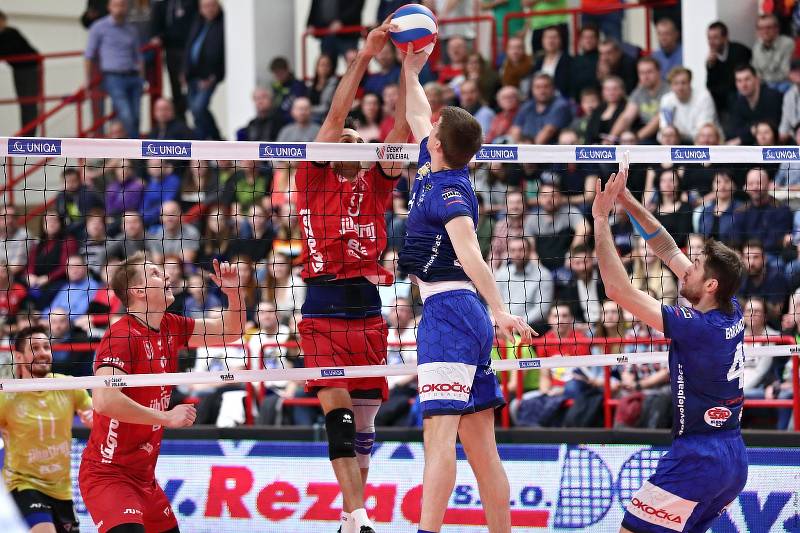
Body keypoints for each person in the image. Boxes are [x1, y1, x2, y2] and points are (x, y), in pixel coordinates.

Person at [398, 42, 534, 533]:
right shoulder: (431, 163)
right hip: (460, 312)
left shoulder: (450, 193)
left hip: (451, 312)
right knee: (482, 448)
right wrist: (409, 69)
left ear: (439, 143)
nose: (428, 125)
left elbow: (473, 254)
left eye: (434, 127)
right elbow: (417, 111)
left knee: (438, 438)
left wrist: (500, 311)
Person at [295, 22, 410, 533]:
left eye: (360, 141)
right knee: (339, 421)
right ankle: (361, 515)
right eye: (346, 140)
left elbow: (404, 128)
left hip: (369, 314)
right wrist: (365, 57)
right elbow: (338, 112)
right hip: (321, 314)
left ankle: (349, 519)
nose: (353, 141)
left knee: (365, 429)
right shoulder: (313, 177)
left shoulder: (377, 187)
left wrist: (410, 68)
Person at [593, 158, 748, 533]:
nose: (686, 267)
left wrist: (600, 221)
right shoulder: (731, 308)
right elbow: (665, 246)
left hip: (697, 457)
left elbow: (617, 290)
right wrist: (628, 201)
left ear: (710, 285)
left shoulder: (696, 326)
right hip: (733, 458)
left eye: (695, 266)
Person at [78, 252, 244, 533]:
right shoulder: (121, 336)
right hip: (109, 474)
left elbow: (231, 331)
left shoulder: (170, 325)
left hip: (144, 478)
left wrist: (234, 294)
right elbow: (104, 400)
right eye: (155, 274)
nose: (166, 275)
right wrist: (166, 417)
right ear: (138, 291)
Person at [1, 325, 93, 533]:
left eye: (46, 347)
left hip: (62, 490)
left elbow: (94, 416)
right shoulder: (6, 395)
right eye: (35, 348)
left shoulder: (68, 386)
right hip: (23, 484)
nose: (43, 353)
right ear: (19, 355)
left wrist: (93, 418)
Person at [85, 0, 144, 139]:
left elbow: (138, 57)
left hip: (133, 76)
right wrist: (87, 80)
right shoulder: (98, 27)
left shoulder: (132, 29)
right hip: (114, 77)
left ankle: (132, 152)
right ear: (109, 7)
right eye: (116, 5)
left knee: (136, 117)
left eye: (122, 5)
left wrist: (141, 78)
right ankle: (134, 152)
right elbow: (89, 55)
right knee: (126, 115)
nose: (119, 9)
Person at [184, 0, 224, 140]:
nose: (209, 9)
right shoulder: (198, 23)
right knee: (195, 113)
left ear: (218, 6)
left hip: (208, 77)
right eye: (205, 6)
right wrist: (184, 71)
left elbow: (220, 54)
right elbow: (189, 48)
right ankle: (203, 145)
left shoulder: (222, 25)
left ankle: (216, 140)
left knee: (199, 108)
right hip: (192, 76)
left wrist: (212, 76)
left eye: (212, 5)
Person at [149, 0, 196, 119]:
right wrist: (157, 37)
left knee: (192, 88)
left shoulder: (192, 3)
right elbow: (155, 28)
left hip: (190, 51)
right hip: (171, 51)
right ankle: (181, 120)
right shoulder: (162, 5)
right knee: (176, 89)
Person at [495, 236, 554, 327]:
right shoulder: (502, 274)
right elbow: (495, 302)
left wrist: (517, 325)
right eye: (513, 250)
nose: (517, 254)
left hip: (531, 328)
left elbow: (542, 310)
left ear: (530, 251)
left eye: (521, 250)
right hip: (502, 327)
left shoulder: (543, 275)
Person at [0, 10, 41, 135]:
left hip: (30, 69)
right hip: (20, 70)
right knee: (24, 103)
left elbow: (8, 50)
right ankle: (27, 133)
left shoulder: (10, 33)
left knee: (29, 103)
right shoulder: (6, 35)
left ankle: (29, 135)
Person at [610, 57, 668, 144]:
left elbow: (658, 120)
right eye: (642, 73)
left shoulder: (668, 91)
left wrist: (635, 138)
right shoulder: (639, 91)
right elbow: (626, 117)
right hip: (644, 134)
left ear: (658, 72)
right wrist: (610, 139)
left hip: (663, 134)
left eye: (649, 72)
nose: (645, 76)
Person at [706, 21, 752, 120]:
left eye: (715, 38)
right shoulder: (712, 59)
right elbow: (710, 85)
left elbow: (737, 80)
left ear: (725, 37)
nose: (711, 42)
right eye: (709, 38)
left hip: (739, 91)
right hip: (723, 97)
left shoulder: (739, 51)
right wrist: (711, 66)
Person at [659, 67, 718, 143]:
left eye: (683, 83)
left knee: (705, 135)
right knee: (667, 133)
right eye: (676, 83)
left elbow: (704, 127)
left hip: (699, 141)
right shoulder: (667, 99)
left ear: (690, 83)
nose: (680, 87)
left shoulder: (703, 97)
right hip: (677, 140)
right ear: (671, 86)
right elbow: (665, 126)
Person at [727, 64, 782, 145]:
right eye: (739, 81)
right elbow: (733, 132)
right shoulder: (738, 102)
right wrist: (751, 130)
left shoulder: (772, 97)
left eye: (747, 79)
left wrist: (742, 138)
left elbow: (771, 127)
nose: (743, 85)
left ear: (756, 79)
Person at [509, 73, 572, 144]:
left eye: (546, 87)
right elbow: (515, 130)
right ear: (532, 89)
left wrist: (529, 151)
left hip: (548, 151)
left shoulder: (560, 105)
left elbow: (548, 131)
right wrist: (519, 147)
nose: (542, 91)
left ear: (553, 88)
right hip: (524, 147)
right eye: (538, 87)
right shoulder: (527, 106)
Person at [307, 0, 364, 65]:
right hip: (326, 35)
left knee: (353, 62)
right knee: (325, 65)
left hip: (348, 34)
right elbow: (315, 5)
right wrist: (310, 23)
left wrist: (342, 21)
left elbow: (357, 5)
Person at [752, 14, 795, 91]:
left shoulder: (788, 43)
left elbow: (785, 73)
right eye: (761, 28)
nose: (765, 31)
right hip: (763, 84)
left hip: (783, 84)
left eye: (768, 27)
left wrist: (763, 78)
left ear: (777, 29)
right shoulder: (757, 46)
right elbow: (755, 69)